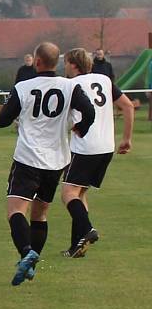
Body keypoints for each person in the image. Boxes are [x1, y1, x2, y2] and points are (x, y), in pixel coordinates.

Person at [0, 42, 95, 286]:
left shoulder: (23, 87)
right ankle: (32, 262)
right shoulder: (70, 86)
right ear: (57, 63)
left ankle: (26, 253)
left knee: (16, 211)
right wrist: (80, 129)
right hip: (56, 161)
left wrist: (14, 112)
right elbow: (90, 111)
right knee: (40, 214)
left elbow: (1, 121)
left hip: (28, 159)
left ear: (37, 62)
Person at [60, 48, 135, 257]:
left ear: (73, 64)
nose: (64, 66)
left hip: (85, 147)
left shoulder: (71, 85)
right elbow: (128, 107)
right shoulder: (104, 80)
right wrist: (126, 139)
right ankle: (77, 246)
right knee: (80, 193)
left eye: (66, 62)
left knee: (68, 194)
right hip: (106, 147)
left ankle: (88, 229)